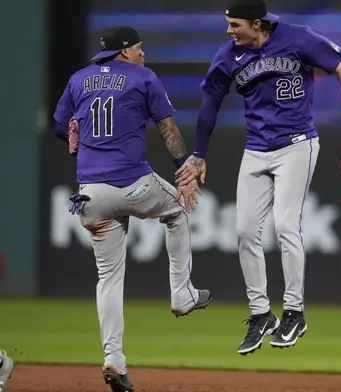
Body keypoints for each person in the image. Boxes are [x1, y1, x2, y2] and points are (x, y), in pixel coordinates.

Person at [173, 0, 341, 355]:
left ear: (257, 24)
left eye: (235, 24)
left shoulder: (298, 38)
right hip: (256, 149)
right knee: (243, 231)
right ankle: (261, 313)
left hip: (297, 144)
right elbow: (209, 105)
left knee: (286, 225)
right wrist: (200, 153)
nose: (228, 30)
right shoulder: (228, 55)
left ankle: (295, 311)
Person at [52, 26, 212, 392]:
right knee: (177, 212)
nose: (143, 53)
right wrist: (184, 170)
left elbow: (61, 127)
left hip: (90, 193)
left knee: (108, 278)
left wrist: (78, 143)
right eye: (139, 48)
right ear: (124, 51)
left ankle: (114, 358)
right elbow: (168, 129)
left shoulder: (79, 79)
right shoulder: (142, 77)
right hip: (131, 182)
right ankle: (182, 294)